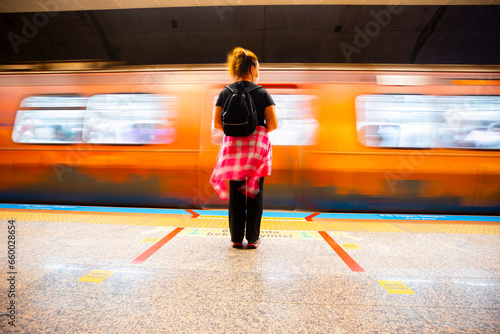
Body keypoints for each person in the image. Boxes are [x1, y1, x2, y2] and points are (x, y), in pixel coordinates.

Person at [210, 47, 278, 249]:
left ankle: (236, 238)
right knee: (254, 192)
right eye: (258, 67)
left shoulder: (225, 92)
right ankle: (253, 238)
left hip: (233, 150)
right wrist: (255, 131)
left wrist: (237, 133)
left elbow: (216, 123)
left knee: (236, 193)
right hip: (256, 150)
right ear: (252, 68)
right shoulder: (262, 93)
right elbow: (273, 124)